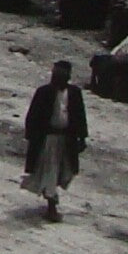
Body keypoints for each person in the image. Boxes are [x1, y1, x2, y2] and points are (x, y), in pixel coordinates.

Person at [21, 60, 89, 222]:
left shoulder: (74, 93)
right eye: (55, 73)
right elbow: (32, 116)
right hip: (48, 140)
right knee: (51, 172)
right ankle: (52, 206)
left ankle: (49, 193)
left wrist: (82, 138)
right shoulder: (43, 92)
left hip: (67, 140)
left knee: (65, 172)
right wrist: (32, 137)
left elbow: (80, 116)